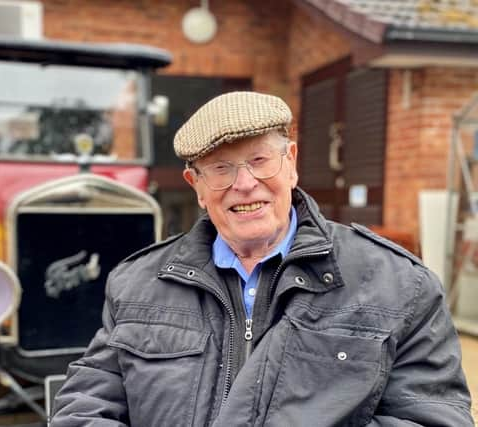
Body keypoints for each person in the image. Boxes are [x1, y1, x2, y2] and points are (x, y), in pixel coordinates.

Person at [51, 91, 474, 426]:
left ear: (290, 163)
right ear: (195, 185)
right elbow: (86, 403)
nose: (245, 184)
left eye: (259, 161)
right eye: (220, 168)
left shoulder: (399, 285)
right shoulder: (137, 283)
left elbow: (433, 416)